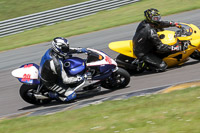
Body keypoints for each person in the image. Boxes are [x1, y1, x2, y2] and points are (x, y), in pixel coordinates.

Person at [39, 37, 88, 102]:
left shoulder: (53, 50)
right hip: (51, 82)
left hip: (49, 71)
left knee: (69, 58)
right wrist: (81, 77)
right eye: (64, 48)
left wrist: (81, 50)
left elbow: (68, 50)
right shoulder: (56, 64)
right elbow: (65, 80)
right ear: (57, 48)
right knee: (72, 96)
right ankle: (50, 95)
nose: (66, 50)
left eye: (66, 47)